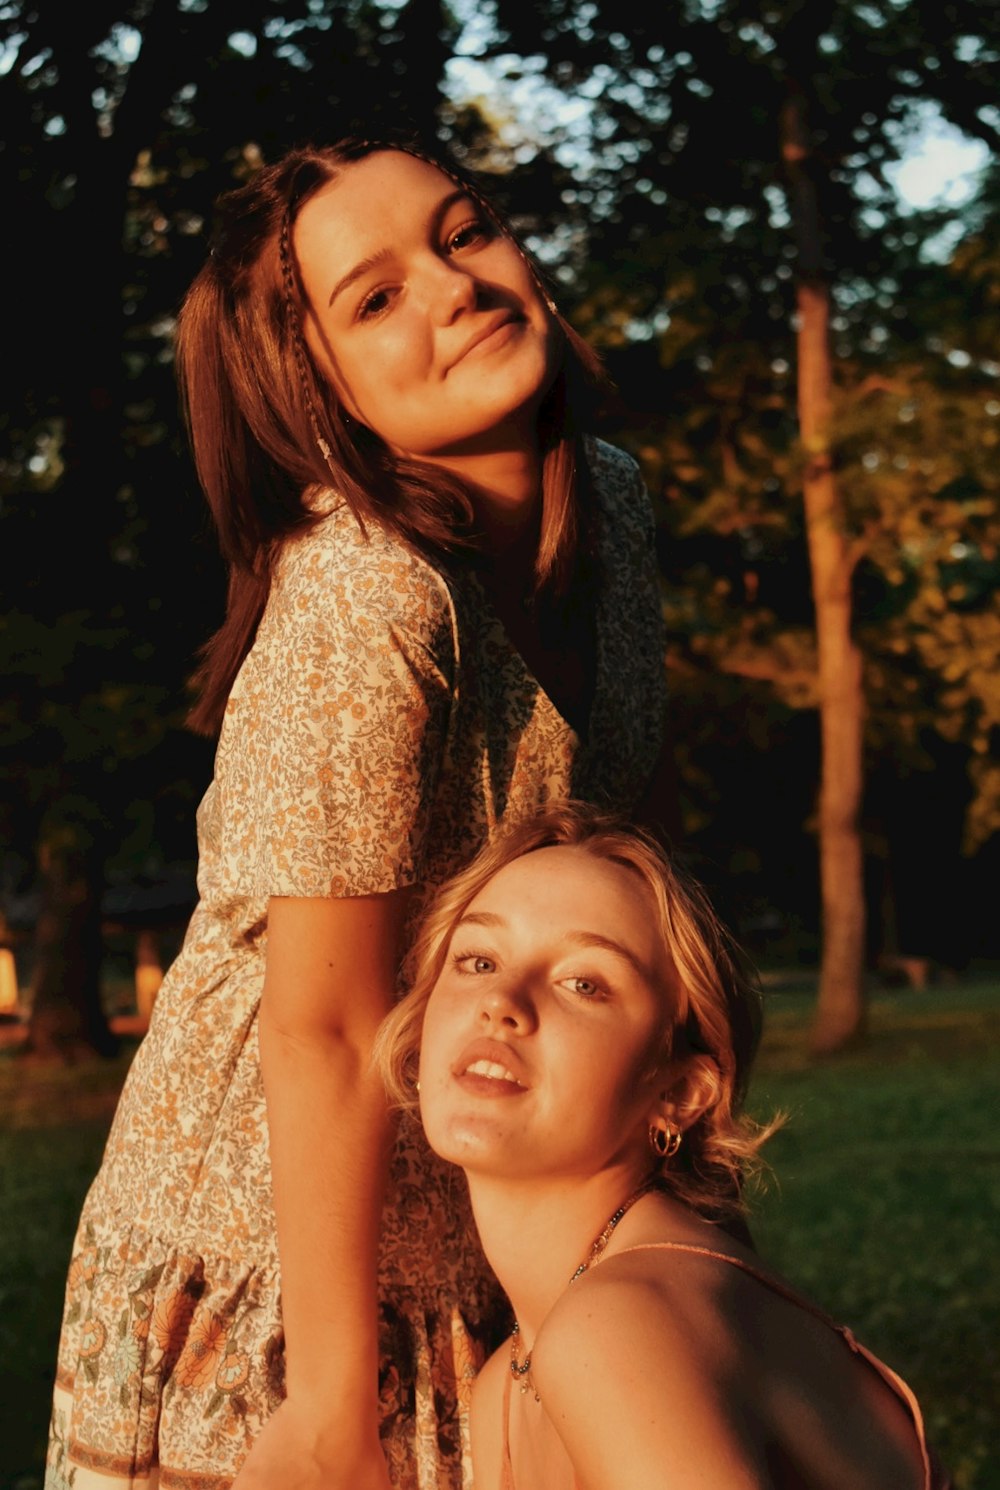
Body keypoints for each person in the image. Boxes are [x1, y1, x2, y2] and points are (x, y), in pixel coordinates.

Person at [44, 138, 675, 1490]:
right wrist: (333, 1401)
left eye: (465, 233)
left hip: (486, 1211)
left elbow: (620, 871)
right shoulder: (367, 593)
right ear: (314, 394)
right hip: (283, 1264)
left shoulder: (609, 505)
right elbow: (320, 1020)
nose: (455, 287)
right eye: (374, 298)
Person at [377, 801, 951, 1490]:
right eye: (477, 959)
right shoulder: (510, 1375)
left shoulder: (619, 1326)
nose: (503, 1000)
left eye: (583, 983)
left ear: (678, 1093)